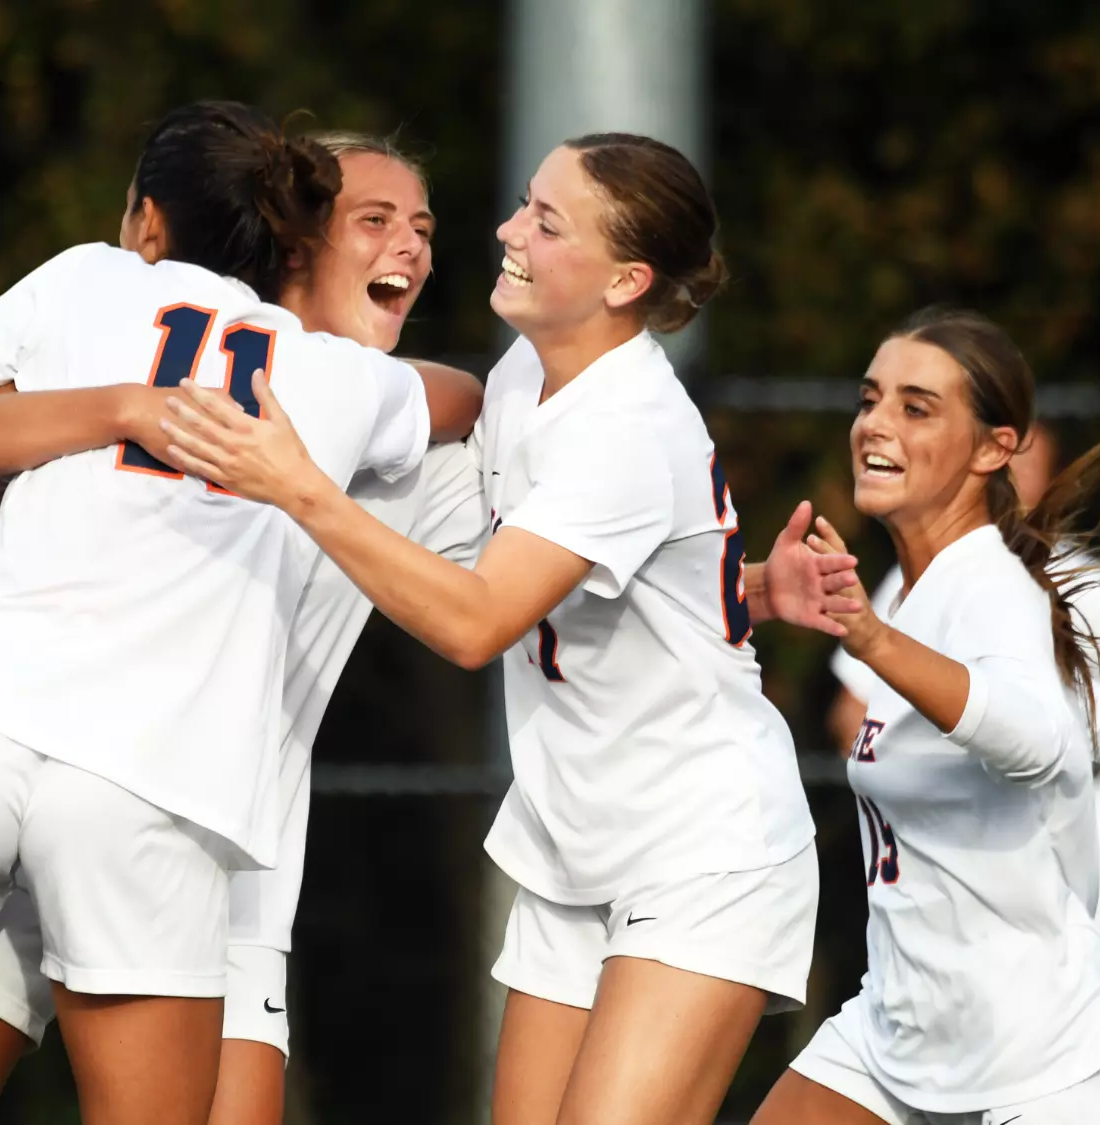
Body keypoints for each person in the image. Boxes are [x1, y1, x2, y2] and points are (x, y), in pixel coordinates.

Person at [157, 132, 857, 1125]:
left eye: (545, 219)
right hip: (572, 841)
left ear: (625, 280)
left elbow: (478, 618)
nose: (505, 231)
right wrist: (741, 584)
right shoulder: (529, 375)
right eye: (524, 203)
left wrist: (300, 489)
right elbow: (599, 573)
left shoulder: (626, 427)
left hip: (702, 849)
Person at [0, 131, 486, 1125]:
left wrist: (740, 585)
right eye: (372, 220)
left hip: (15, 738)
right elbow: (464, 409)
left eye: (421, 227)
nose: (408, 245)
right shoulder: (350, 391)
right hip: (162, 793)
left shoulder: (109, 304)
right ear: (291, 244)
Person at [749, 307, 1100, 1125]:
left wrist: (874, 640)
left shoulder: (995, 589)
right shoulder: (916, 592)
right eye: (870, 399)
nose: (875, 425)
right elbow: (1090, 722)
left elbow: (1047, 742)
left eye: (916, 406)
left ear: (996, 447)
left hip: (1040, 1059)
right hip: (897, 1034)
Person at [828, 421, 1100, 951]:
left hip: (1066, 873)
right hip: (944, 871)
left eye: (1025, 466)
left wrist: (1065, 761)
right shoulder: (918, 579)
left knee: (1064, 1033)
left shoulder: (1078, 581)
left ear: (1048, 481)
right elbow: (852, 713)